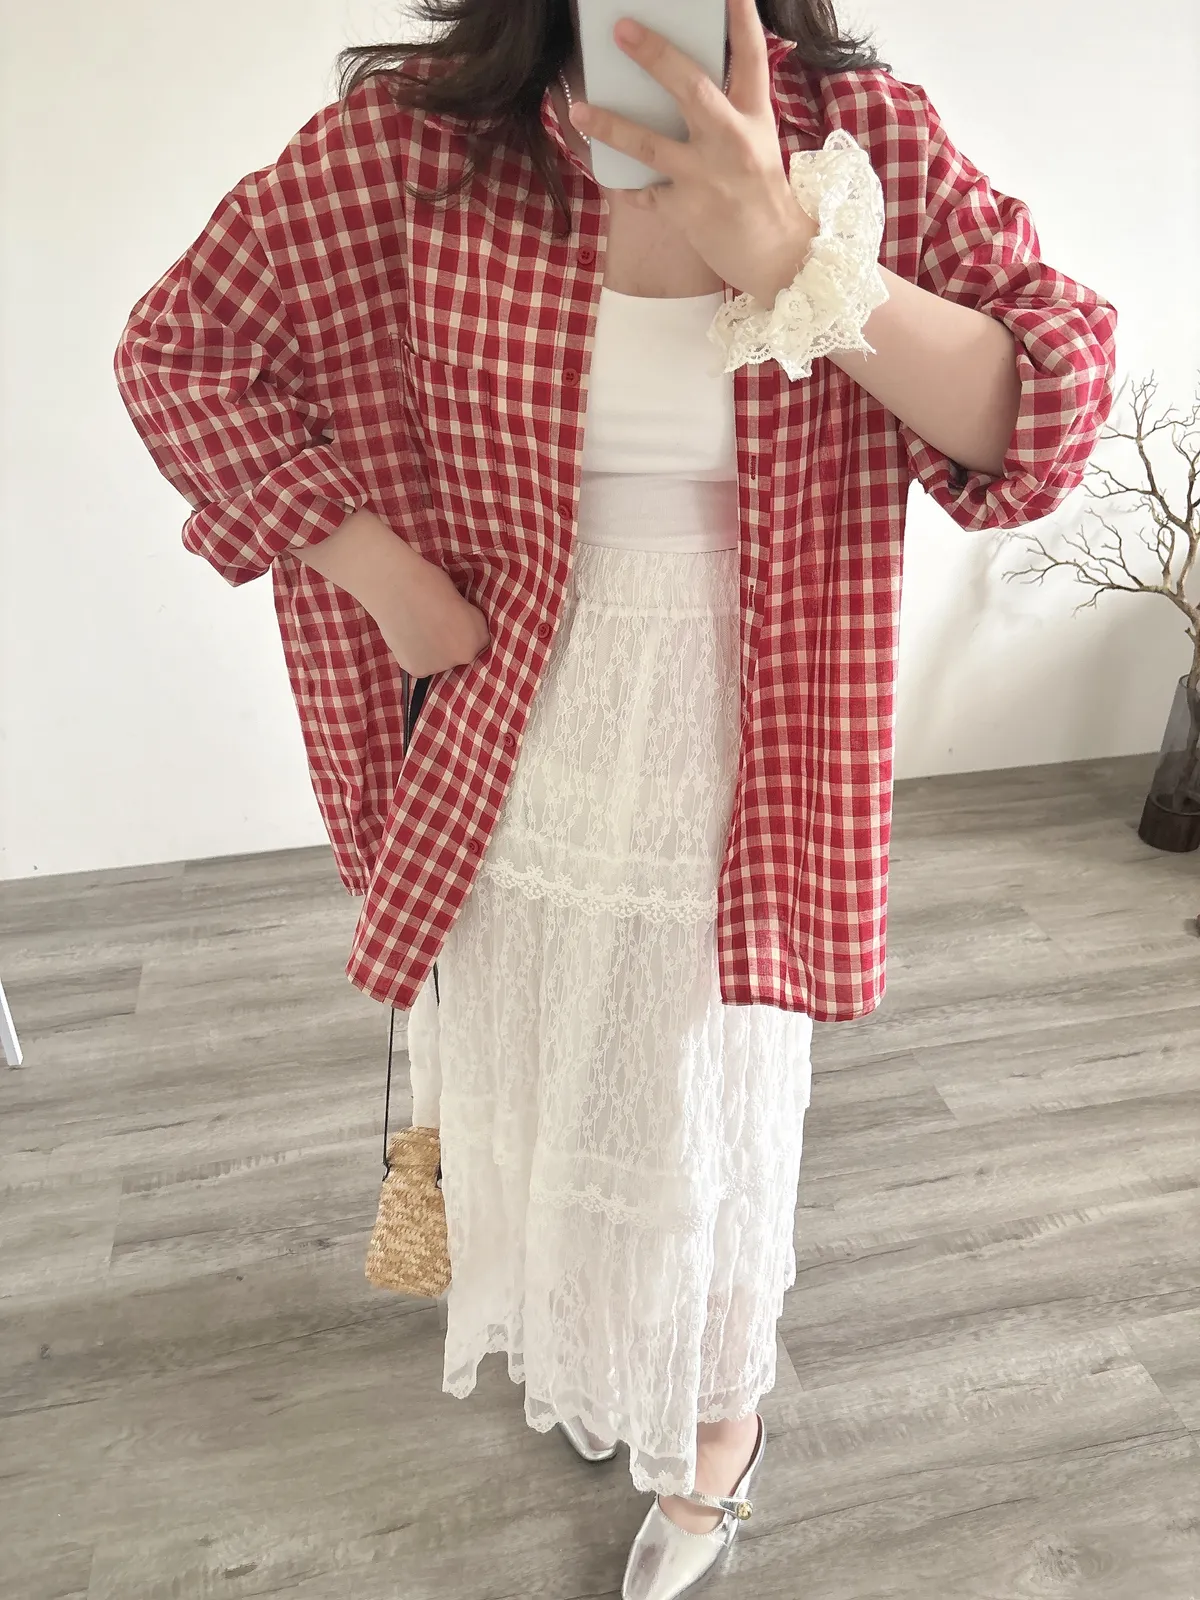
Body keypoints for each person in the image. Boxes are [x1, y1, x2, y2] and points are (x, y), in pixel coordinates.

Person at [112, 2, 1118, 1595]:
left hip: (756, 718)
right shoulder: (420, 143)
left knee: (699, 1085)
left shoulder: (859, 137)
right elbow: (178, 354)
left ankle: (715, 1418)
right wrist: (381, 576)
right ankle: (592, 1344)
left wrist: (792, 250)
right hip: (513, 703)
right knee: (536, 1052)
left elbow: (1044, 423)